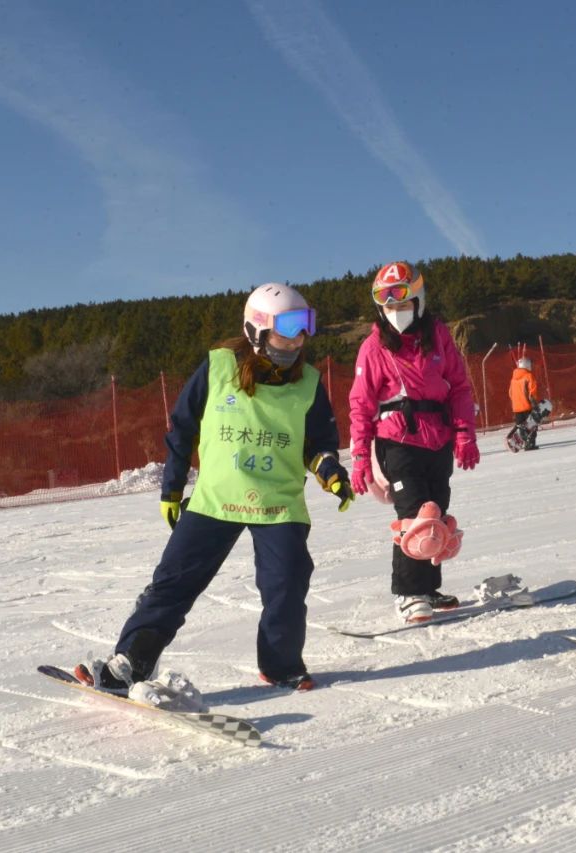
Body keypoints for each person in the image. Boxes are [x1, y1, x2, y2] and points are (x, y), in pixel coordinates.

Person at [76, 283, 353, 693]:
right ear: (256, 329)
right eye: (289, 327)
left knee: (287, 584)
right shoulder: (219, 367)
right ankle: (131, 663)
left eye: (306, 326)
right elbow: (183, 429)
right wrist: (171, 489)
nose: (299, 339)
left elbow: (317, 444)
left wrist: (329, 469)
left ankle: (281, 665)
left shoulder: (308, 382)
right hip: (216, 498)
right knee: (173, 582)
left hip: (277, 503)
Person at [348, 261, 479, 623]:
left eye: (402, 303)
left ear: (418, 301)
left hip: (437, 436)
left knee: (437, 510)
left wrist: (465, 431)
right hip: (396, 438)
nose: (395, 312)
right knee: (414, 515)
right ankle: (408, 593)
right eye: (387, 305)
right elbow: (360, 405)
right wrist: (359, 456)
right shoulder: (374, 347)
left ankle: (428, 588)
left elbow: (460, 387)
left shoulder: (438, 336)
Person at [509, 357, 542, 450]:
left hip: (516, 408)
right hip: (527, 406)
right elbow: (532, 392)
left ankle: (519, 442)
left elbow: (510, 393)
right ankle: (530, 444)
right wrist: (535, 404)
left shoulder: (513, 379)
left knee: (521, 427)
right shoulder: (529, 376)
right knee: (531, 425)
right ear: (527, 365)